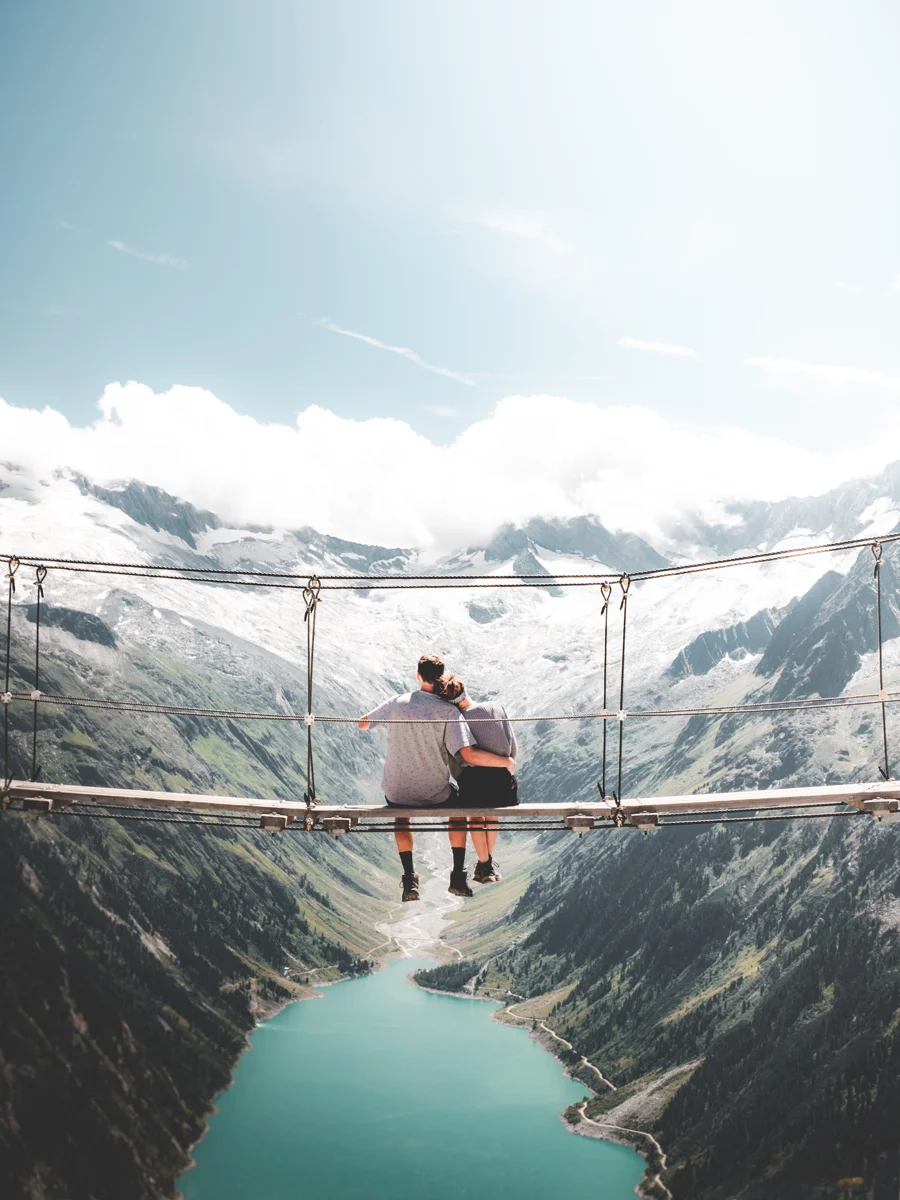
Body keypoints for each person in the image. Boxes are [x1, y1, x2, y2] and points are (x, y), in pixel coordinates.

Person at [358, 655, 516, 903]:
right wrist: (505, 762)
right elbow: (467, 754)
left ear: (417, 675)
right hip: (435, 792)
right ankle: (457, 877)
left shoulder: (397, 703)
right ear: (441, 677)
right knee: (458, 809)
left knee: (401, 815)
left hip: (397, 791)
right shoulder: (448, 711)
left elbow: (362, 724)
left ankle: (409, 879)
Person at [444, 679, 519, 884]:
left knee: (475, 816)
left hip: (473, 782)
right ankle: (485, 865)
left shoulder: (456, 720)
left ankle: (484, 864)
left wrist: (461, 777)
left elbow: (456, 758)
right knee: (492, 816)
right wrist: (505, 767)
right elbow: (512, 746)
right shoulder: (496, 707)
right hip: (502, 783)